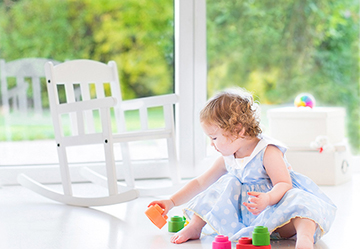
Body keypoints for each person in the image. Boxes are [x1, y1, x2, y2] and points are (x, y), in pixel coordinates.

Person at [148, 88, 336, 249]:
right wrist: (171, 202)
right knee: (224, 184)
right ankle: (196, 225)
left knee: (300, 201)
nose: (212, 144)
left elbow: (284, 183)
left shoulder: (267, 151)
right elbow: (201, 182)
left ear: (238, 130)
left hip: (279, 213)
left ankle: (304, 237)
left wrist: (268, 198)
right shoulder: (228, 157)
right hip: (249, 218)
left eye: (214, 137)